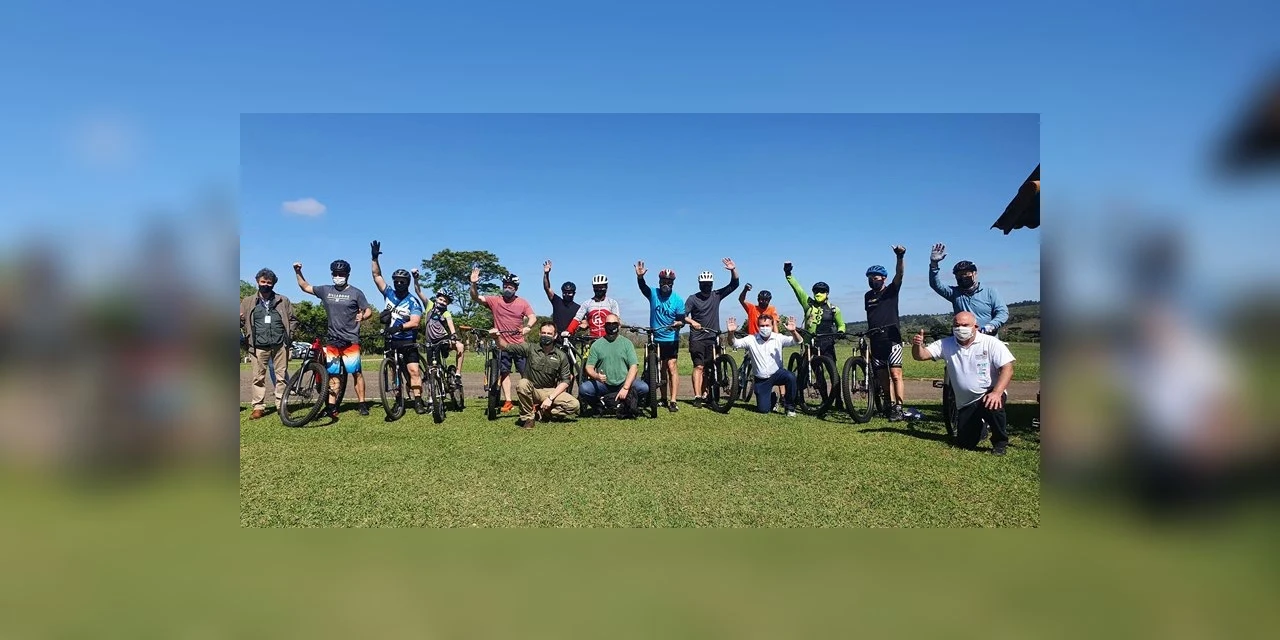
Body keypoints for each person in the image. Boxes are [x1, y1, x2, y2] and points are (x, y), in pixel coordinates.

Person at [911, 311, 1016, 456]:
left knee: (993, 406)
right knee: (965, 443)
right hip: (965, 402)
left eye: (965, 325)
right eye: (956, 325)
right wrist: (917, 345)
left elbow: (1007, 369)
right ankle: (980, 428)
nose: (960, 328)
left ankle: (1000, 442)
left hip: (988, 392)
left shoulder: (991, 343)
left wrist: (997, 393)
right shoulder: (946, 344)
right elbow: (920, 356)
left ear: (976, 327)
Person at [294, 259, 373, 418]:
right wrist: (297, 271)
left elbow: (368, 310)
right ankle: (331, 407)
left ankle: (362, 404)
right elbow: (305, 287)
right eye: (335, 274)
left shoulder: (356, 292)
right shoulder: (325, 290)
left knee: (356, 373)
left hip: (350, 340)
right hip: (332, 340)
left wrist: (362, 316)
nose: (338, 276)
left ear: (347, 275)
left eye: (341, 274)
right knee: (333, 374)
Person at [370, 241, 427, 414]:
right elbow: (377, 276)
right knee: (394, 372)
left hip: (407, 340)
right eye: (396, 281)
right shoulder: (388, 293)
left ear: (407, 283)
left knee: (413, 371)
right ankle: (397, 399)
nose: (399, 284)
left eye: (402, 281)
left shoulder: (413, 301)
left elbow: (415, 322)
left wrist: (399, 328)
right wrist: (374, 258)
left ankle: (418, 401)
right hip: (391, 341)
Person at [470, 267, 537, 413]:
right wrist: (473, 284)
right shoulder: (495, 301)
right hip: (502, 344)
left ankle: (528, 400)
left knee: (525, 373)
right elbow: (476, 298)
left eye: (510, 286)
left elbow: (533, 317)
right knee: (504, 372)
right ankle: (507, 401)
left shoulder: (523, 303)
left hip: (519, 344)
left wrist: (528, 327)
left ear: (516, 288)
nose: (507, 288)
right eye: (505, 286)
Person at [493, 322, 580, 429]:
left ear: (555, 336)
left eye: (549, 333)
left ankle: (543, 412)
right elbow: (505, 346)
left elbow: (566, 380)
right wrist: (496, 337)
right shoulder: (530, 348)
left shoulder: (561, 355)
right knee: (522, 383)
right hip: (533, 390)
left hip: (550, 391)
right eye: (543, 333)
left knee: (574, 405)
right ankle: (528, 418)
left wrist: (550, 398)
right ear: (539, 334)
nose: (546, 335)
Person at [239, 268, 298, 419]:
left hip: (279, 345)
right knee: (258, 378)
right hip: (258, 345)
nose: (265, 284)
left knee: (281, 377)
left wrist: (288, 336)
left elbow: (293, 319)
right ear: (258, 282)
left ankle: (281, 405)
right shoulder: (247, 302)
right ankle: (258, 407)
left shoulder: (282, 300)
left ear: (273, 284)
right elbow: (241, 322)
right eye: (263, 282)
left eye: (269, 282)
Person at [683, 258, 739, 408]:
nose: (706, 286)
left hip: (712, 337)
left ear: (712, 284)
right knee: (699, 367)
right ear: (699, 284)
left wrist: (733, 270)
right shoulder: (692, 299)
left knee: (709, 368)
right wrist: (692, 322)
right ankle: (697, 396)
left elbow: (734, 285)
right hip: (697, 338)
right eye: (704, 284)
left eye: (709, 284)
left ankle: (708, 393)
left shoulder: (716, 295)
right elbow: (682, 315)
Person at [635, 261, 687, 412]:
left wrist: (679, 323)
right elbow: (643, 288)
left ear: (673, 283)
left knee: (671, 367)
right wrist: (640, 277)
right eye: (663, 281)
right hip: (655, 337)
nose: (666, 284)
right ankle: (663, 398)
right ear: (659, 282)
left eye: (669, 282)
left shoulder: (678, 300)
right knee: (660, 369)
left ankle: (673, 400)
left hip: (671, 338)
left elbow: (682, 319)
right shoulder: (654, 293)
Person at [725, 314, 800, 417]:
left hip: (777, 373)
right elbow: (733, 343)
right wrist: (731, 333)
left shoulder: (778, 338)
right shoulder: (751, 339)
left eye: (767, 325)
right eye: (762, 326)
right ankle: (772, 397)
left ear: (772, 325)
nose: (765, 328)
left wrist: (793, 332)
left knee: (790, 377)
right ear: (758, 326)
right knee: (763, 410)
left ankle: (790, 408)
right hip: (761, 379)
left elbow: (798, 341)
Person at [864, 245, 908, 421]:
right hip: (875, 340)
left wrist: (900, 257)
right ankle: (888, 405)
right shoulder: (867, 296)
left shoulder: (891, 290)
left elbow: (900, 275)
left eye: (875, 277)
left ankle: (899, 406)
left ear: (883, 278)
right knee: (882, 375)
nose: (872, 280)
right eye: (869, 278)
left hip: (892, 338)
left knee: (896, 374)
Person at [927, 243, 1009, 335]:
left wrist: (992, 325)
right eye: (959, 275)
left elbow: (1002, 313)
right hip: (962, 339)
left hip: (987, 338)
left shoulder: (990, 292)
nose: (963, 277)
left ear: (975, 273)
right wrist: (934, 264)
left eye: (966, 273)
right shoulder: (954, 293)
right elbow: (935, 285)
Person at [784, 261, 845, 381]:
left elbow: (841, 324)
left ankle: (837, 398)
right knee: (811, 371)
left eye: (822, 291)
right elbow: (798, 289)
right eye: (816, 291)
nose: (818, 293)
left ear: (827, 293)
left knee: (833, 372)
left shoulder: (834, 309)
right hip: (809, 342)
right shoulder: (808, 304)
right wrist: (788, 274)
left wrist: (841, 331)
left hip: (827, 343)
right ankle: (801, 393)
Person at [579, 314, 649, 418]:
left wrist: (625, 388)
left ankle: (627, 404)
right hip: (604, 384)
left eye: (614, 324)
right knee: (584, 389)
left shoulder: (627, 343)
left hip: (623, 382)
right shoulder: (597, 345)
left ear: (619, 326)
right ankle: (599, 406)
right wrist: (596, 376)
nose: (611, 326)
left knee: (643, 387)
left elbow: (633, 367)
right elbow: (589, 367)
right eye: (608, 324)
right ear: (604, 326)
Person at [412, 270, 464, 382]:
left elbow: (450, 323)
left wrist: (454, 334)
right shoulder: (429, 305)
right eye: (441, 299)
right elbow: (418, 291)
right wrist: (415, 278)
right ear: (436, 298)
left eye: (445, 301)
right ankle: (434, 391)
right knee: (431, 368)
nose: (442, 302)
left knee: (460, 346)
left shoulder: (446, 312)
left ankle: (458, 374)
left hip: (443, 338)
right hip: (430, 341)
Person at [566, 274, 622, 338]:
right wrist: (568, 331)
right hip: (593, 338)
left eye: (601, 287)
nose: (599, 289)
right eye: (596, 287)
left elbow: (616, 320)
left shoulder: (612, 303)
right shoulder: (587, 304)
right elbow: (577, 318)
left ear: (606, 287)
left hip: (608, 338)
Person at [542, 260, 580, 335]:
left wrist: (578, 327)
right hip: (555, 338)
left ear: (574, 293)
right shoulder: (557, 301)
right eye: (565, 292)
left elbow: (584, 323)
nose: (567, 294)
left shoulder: (578, 308)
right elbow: (547, 288)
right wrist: (546, 274)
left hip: (571, 338)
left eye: (569, 293)